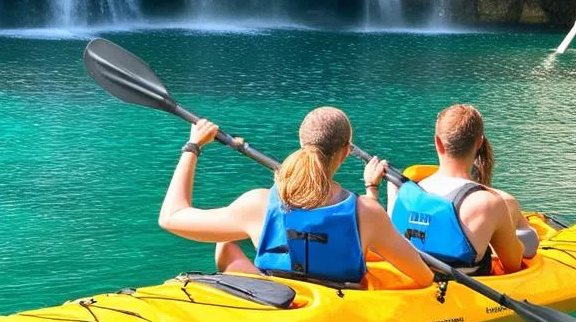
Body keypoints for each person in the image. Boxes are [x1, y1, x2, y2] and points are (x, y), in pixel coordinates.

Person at [158, 106, 433, 288]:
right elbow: (423, 277)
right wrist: (371, 192)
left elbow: (171, 218)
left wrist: (192, 146)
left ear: (301, 142)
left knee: (224, 241)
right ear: (346, 151)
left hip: (277, 297)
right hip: (341, 305)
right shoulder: (367, 212)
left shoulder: (258, 203)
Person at [387, 104, 535, 276]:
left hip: (416, 283)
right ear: (479, 143)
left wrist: (375, 188)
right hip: (464, 294)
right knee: (511, 208)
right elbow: (513, 265)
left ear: (437, 142)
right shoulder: (489, 202)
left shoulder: (407, 194)